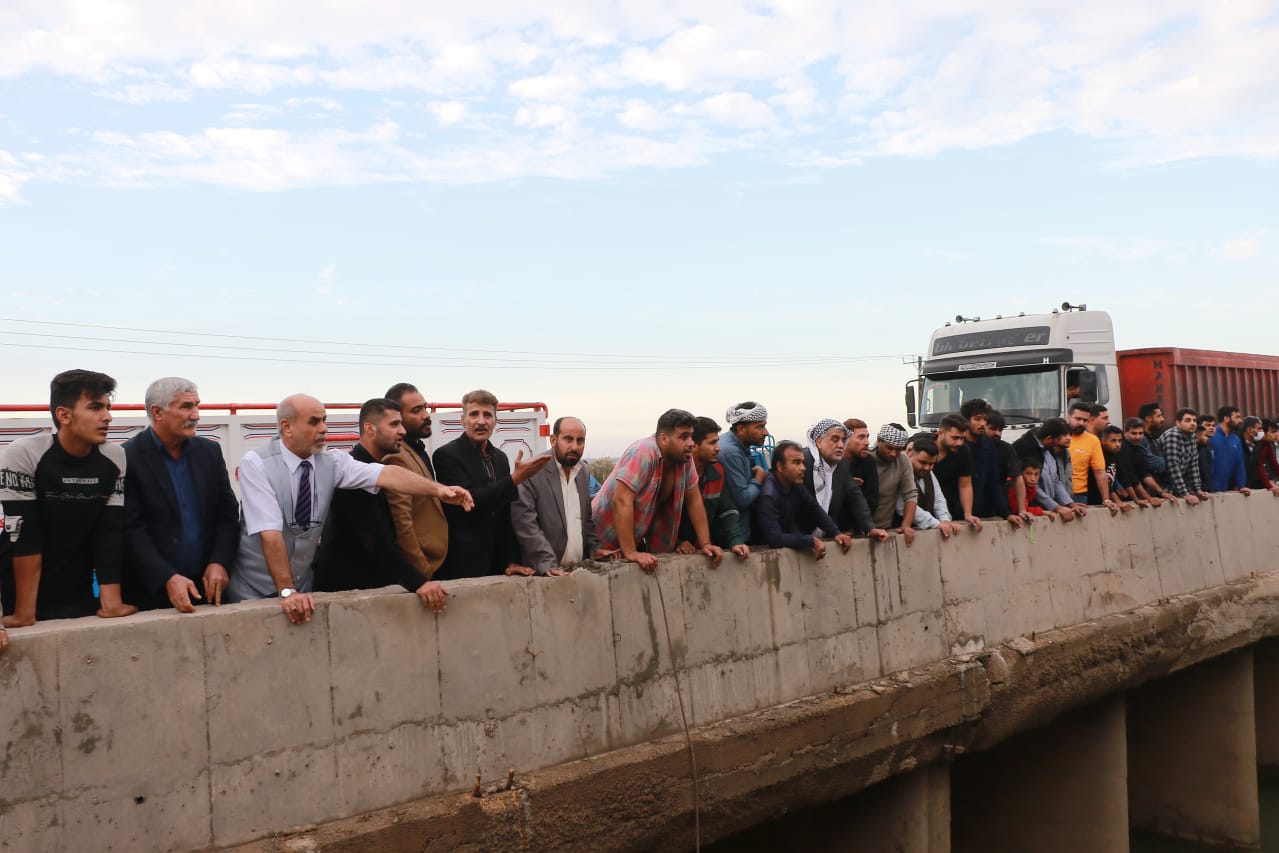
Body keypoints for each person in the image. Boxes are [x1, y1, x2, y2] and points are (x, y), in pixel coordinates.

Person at [224, 393, 474, 624]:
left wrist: (439, 490)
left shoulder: (332, 461)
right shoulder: (256, 463)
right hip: (253, 591)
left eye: (324, 420)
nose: (323, 428)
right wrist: (287, 591)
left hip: (302, 590)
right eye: (313, 422)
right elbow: (270, 533)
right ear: (286, 427)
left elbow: (386, 474)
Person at [0, 369, 136, 626]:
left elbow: (109, 532)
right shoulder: (24, 453)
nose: (107, 417)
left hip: (77, 589)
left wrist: (112, 604)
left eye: (107, 407)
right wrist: (23, 613)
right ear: (64, 414)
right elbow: (24, 536)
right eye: (95, 408)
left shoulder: (113, 456)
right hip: (17, 591)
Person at [314, 399, 448, 610]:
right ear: (370, 429)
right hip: (348, 599)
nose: (402, 431)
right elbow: (376, 540)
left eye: (402, 424)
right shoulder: (352, 475)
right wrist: (419, 581)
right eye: (394, 424)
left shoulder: (375, 467)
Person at [121, 377, 240, 613]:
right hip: (152, 593)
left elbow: (227, 514)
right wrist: (168, 577)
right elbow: (131, 530)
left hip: (207, 589)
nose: (195, 415)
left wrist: (219, 562)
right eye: (186, 407)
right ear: (157, 412)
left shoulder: (209, 452)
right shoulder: (128, 457)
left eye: (197, 405)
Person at [433, 390, 552, 580]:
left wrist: (512, 559)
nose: (481, 421)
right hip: (463, 564)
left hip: (499, 565)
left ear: (495, 421)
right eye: (474, 414)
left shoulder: (500, 458)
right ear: (463, 421)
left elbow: (506, 513)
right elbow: (471, 501)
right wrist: (515, 479)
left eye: (487, 415)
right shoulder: (446, 456)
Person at [593, 409, 723, 573]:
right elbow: (621, 501)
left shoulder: (684, 460)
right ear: (663, 439)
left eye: (691, 436)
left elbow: (694, 500)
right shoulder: (642, 452)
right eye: (683, 437)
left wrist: (705, 544)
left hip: (632, 539)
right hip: (599, 538)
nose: (691, 442)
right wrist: (631, 552)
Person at [511, 416, 605, 575]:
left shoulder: (583, 471)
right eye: (568, 439)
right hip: (544, 576)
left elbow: (586, 519)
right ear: (553, 440)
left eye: (580, 440)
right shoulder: (533, 471)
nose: (574, 446)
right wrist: (547, 564)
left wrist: (594, 549)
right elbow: (525, 524)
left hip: (577, 572)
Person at [382, 382, 449, 600]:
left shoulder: (417, 450)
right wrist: (422, 574)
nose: (426, 415)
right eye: (416, 410)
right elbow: (403, 524)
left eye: (425, 407)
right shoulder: (396, 457)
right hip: (424, 570)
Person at [750, 440, 853, 558]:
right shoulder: (768, 494)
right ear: (779, 466)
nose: (803, 468)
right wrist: (810, 541)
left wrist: (836, 533)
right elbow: (774, 538)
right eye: (796, 462)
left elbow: (814, 509)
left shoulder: (794, 485)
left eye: (803, 462)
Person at [675, 417, 750, 559]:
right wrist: (677, 542)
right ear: (694, 445)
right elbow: (662, 514)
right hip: (672, 551)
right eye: (712, 443)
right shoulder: (676, 474)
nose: (718, 448)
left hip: (702, 548)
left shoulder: (718, 471)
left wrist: (735, 541)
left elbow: (728, 509)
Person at [802, 419, 886, 542]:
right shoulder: (803, 463)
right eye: (835, 440)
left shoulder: (840, 465)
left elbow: (855, 497)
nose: (841, 445)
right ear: (819, 442)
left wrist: (869, 528)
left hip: (826, 537)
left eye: (843, 440)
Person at [959, 400, 1023, 528]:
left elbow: (994, 482)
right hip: (956, 515)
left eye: (985, 419)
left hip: (983, 513)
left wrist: (1006, 513)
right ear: (966, 421)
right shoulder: (958, 446)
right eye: (977, 419)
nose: (982, 423)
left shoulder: (988, 446)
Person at [1011, 418, 1085, 522]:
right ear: (1049, 439)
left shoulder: (1048, 450)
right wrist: (1056, 507)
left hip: (1047, 508)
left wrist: (1069, 503)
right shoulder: (1025, 447)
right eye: (1057, 441)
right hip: (1031, 510)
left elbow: (1055, 480)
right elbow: (1032, 485)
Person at [718, 402, 770, 540]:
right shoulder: (731, 452)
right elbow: (743, 498)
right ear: (741, 429)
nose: (766, 432)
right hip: (729, 537)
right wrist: (758, 479)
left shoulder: (739, 446)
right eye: (760, 427)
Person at [932, 414, 982, 531]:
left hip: (946, 508)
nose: (959, 443)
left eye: (962, 438)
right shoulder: (923, 445)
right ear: (940, 434)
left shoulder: (963, 451)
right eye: (954, 438)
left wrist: (968, 514)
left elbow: (965, 485)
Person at [870, 423, 918, 544]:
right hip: (860, 530)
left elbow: (911, 494)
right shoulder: (866, 459)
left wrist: (906, 526)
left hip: (885, 528)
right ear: (879, 441)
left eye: (898, 449)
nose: (893, 453)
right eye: (889, 448)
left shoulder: (902, 460)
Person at [904, 437, 962, 537]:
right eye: (922, 462)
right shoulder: (902, 472)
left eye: (931, 464)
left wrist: (945, 520)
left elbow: (938, 499)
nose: (927, 468)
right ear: (910, 455)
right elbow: (903, 505)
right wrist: (936, 523)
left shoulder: (928, 473)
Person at [1066, 402, 1115, 511]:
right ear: (1068, 417)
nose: (1081, 423)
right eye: (1077, 419)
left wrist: (1106, 499)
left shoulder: (1093, 440)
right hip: (1059, 495)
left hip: (1080, 496)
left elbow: (1100, 473)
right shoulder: (1060, 437)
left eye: (1085, 420)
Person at [1157, 408, 1210, 505]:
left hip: (1175, 487)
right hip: (1161, 487)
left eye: (1194, 420)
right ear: (1178, 423)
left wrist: (1198, 491)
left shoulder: (1192, 436)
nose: (1193, 423)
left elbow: (1193, 466)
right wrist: (1185, 494)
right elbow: (1173, 466)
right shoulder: (1172, 435)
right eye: (1188, 420)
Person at [1116, 418, 1169, 507]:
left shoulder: (1139, 446)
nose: (1138, 437)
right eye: (1134, 433)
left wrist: (1161, 492)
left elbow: (1144, 473)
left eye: (1141, 433)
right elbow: (1130, 477)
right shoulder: (1121, 447)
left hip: (1134, 493)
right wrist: (1149, 498)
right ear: (1125, 432)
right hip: (1122, 493)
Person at [1207, 406, 1250, 494]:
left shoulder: (1236, 439)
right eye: (1237, 417)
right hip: (1208, 490)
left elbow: (1239, 464)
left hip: (1225, 490)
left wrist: (1241, 485)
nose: (1240, 421)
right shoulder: (1210, 436)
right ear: (1226, 418)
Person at [842, 418, 879, 514]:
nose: (867, 442)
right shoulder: (833, 462)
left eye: (867, 437)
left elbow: (871, 501)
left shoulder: (868, 462)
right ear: (846, 439)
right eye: (861, 437)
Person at [1100, 425, 1136, 512]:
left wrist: (1136, 499)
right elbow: (1104, 480)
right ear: (1103, 441)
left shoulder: (1115, 454)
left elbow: (1125, 477)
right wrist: (1118, 501)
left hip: (1110, 501)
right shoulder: (1100, 456)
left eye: (1120, 441)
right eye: (1113, 441)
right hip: (1097, 500)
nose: (1118, 444)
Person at [1138, 402, 1168, 479]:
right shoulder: (1141, 439)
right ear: (1148, 419)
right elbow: (1159, 465)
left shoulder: (1153, 440)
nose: (1163, 419)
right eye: (1159, 416)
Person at [1257, 419, 1279, 496]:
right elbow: (1259, 466)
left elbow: (1275, 465)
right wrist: (1269, 485)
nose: (1275, 435)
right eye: (1272, 432)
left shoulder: (1268, 445)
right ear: (1264, 432)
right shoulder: (1257, 445)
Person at [1196, 414, 1217, 491]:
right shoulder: (1196, 445)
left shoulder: (1209, 444)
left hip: (1207, 488)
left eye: (1213, 425)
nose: (1211, 428)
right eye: (1208, 425)